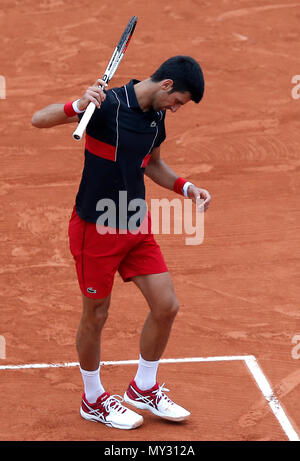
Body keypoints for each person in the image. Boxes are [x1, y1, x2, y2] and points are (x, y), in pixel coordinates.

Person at [31, 55, 211, 430]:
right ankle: (93, 398)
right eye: (178, 101)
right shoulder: (106, 105)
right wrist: (77, 105)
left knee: (166, 306)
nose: (176, 109)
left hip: (134, 224)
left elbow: (152, 163)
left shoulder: (156, 117)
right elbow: (39, 119)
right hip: (94, 230)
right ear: (166, 86)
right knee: (96, 315)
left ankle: (142, 388)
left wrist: (186, 187)